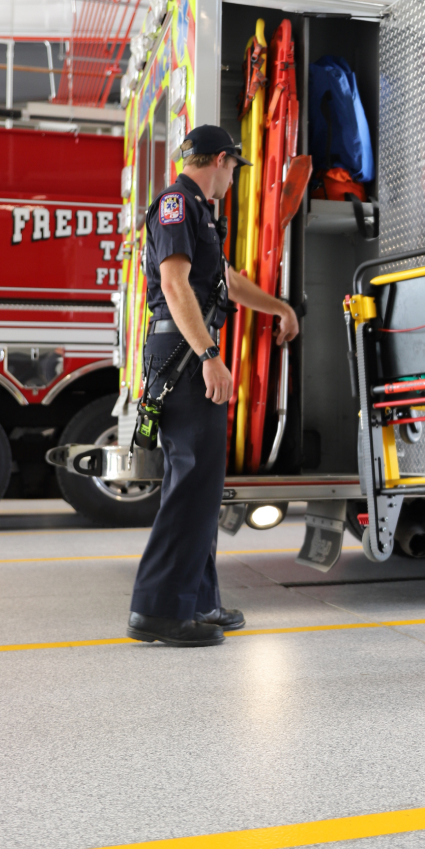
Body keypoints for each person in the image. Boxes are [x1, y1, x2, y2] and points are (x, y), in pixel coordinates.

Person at [127, 125, 299, 648]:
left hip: (182, 350)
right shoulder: (177, 205)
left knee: (201, 485)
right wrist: (209, 356)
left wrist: (279, 307)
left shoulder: (199, 211)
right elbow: (176, 285)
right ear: (221, 159)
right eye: (232, 169)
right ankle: (156, 610)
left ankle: (198, 601)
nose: (232, 180)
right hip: (182, 353)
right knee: (191, 481)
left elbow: (223, 279)